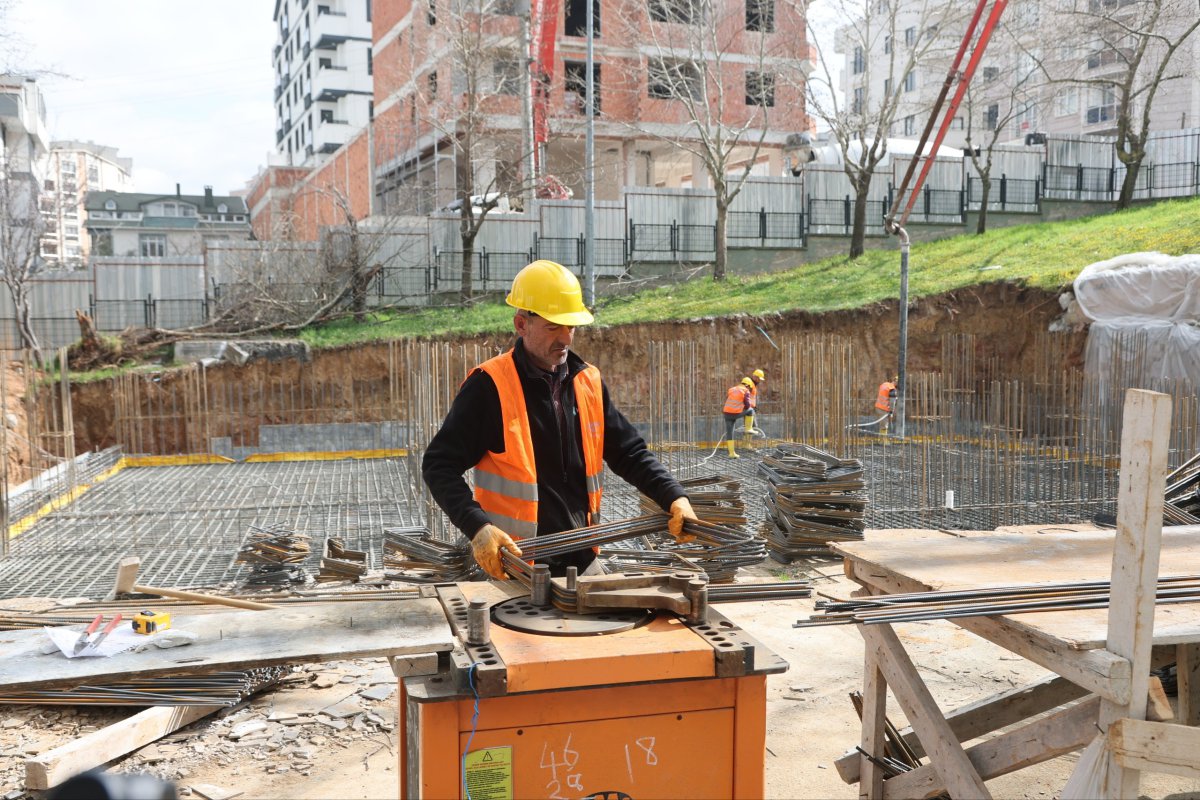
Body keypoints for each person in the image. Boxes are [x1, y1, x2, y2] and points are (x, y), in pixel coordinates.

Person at [422, 260, 698, 579]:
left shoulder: (587, 382)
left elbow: (630, 453)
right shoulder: (490, 386)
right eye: (554, 327)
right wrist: (478, 527)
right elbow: (439, 465)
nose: (566, 338)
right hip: (515, 568)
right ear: (521, 324)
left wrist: (674, 496)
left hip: (582, 559)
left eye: (571, 326)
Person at [722, 377, 755, 459]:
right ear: (747, 385)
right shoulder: (745, 390)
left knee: (730, 433)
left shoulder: (731, 389)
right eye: (749, 387)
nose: (749, 389)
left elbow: (731, 400)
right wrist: (743, 407)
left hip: (726, 413)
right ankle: (748, 428)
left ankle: (732, 453)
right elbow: (747, 405)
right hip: (735, 413)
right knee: (751, 410)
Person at [744, 368, 766, 434]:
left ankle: (747, 442)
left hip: (750, 408)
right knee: (753, 427)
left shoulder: (753, 385)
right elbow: (745, 396)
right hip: (749, 409)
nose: (759, 380)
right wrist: (749, 407)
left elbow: (750, 397)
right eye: (759, 379)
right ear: (755, 377)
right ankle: (747, 443)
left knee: (749, 427)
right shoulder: (750, 383)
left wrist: (754, 406)